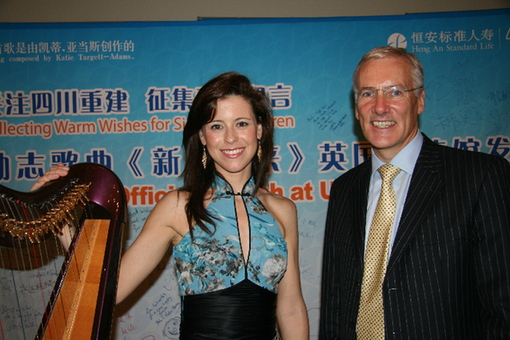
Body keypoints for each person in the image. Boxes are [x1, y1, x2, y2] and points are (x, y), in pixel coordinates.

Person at [32, 72, 309, 339]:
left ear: (259, 130)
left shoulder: (283, 210)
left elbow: (292, 308)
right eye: (216, 126)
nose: (230, 138)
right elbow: (111, 291)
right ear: (202, 137)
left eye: (241, 123)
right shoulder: (179, 206)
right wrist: (63, 226)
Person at [319, 46, 510, 339]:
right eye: (368, 93)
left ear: (419, 100)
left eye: (395, 92)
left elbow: (502, 306)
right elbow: (334, 304)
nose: (380, 107)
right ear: (356, 107)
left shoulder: (480, 177)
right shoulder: (344, 189)